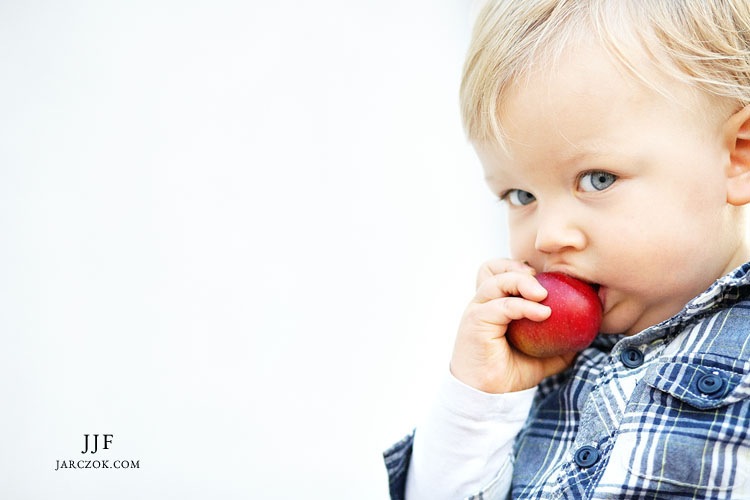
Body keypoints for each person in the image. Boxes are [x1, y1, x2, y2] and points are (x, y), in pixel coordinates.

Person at [383, 0, 750, 498]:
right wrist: (480, 403)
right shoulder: (535, 364)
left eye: (597, 179)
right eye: (520, 196)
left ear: (737, 156)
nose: (547, 237)